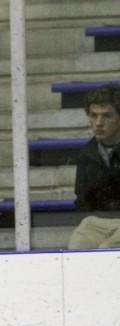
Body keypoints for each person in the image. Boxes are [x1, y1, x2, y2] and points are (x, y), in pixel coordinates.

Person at [67, 85, 120, 249]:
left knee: (106, 249)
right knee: (76, 247)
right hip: (97, 222)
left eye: (107, 116)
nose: (98, 123)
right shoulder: (86, 153)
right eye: (93, 115)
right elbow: (82, 198)